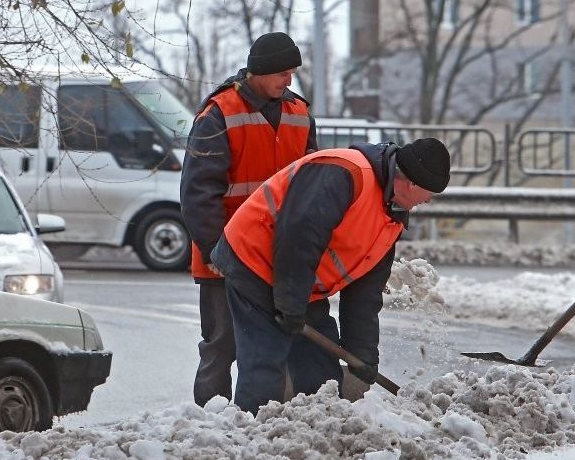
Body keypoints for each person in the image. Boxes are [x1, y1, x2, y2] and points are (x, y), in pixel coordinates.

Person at [210, 138, 451, 412]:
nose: (429, 201)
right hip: (254, 259)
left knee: (321, 371)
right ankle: (248, 434)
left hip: (299, 280)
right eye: (430, 193)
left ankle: (314, 437)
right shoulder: (346, 174)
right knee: (265, 360)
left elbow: (365, 292)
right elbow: (299, 236)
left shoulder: (391, 216)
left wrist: (363, 357)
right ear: (411, 184)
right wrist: (290, 303)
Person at [181, 31, 317, 407]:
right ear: (260, 71)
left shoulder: (300, 113)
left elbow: (311, 186)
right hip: (223, 255)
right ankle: (210, 425)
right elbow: (197, 192)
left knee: (279, 344)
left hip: (276, 257)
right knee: (222, 346)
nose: (288, 81)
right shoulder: (219, 113)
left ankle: (274, 423)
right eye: (282, 73)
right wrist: (213, 250)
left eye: (292, 73)